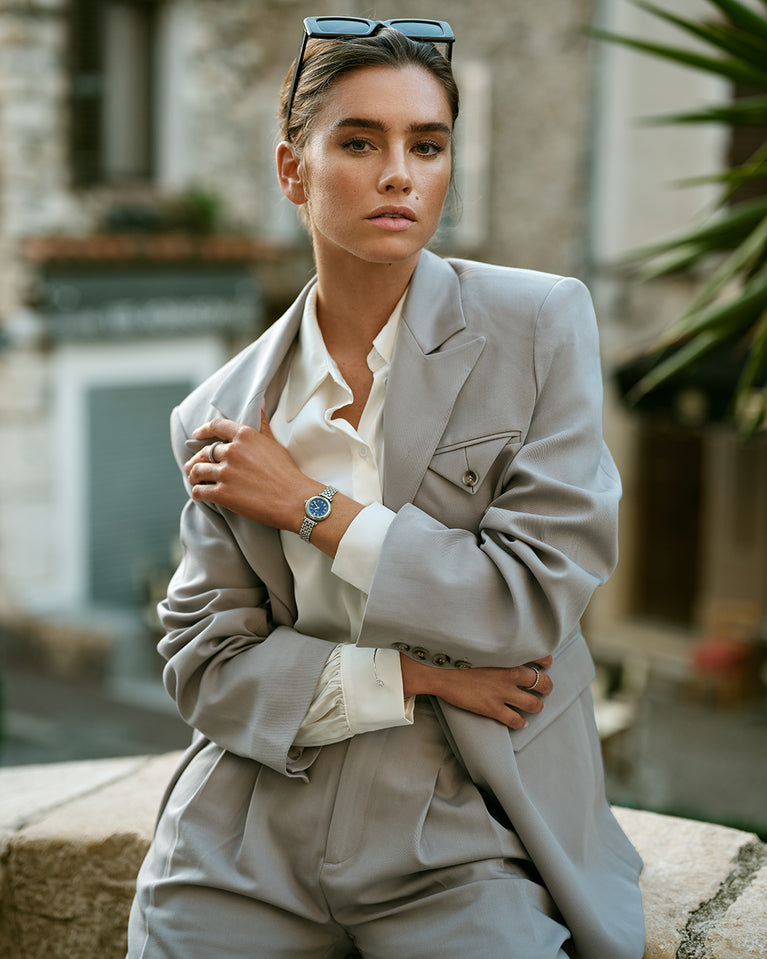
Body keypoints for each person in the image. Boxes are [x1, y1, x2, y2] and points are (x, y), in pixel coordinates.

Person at [127, 17, 644, 959]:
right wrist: (422, 674)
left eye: (428, 144)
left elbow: (529, 599)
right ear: (293, 171)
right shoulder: (219, 410)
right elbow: (204, 665)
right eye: (359, 142)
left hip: (465, 822)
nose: (399, 172)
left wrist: (308, 507)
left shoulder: (537, 324)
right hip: (247, 822)